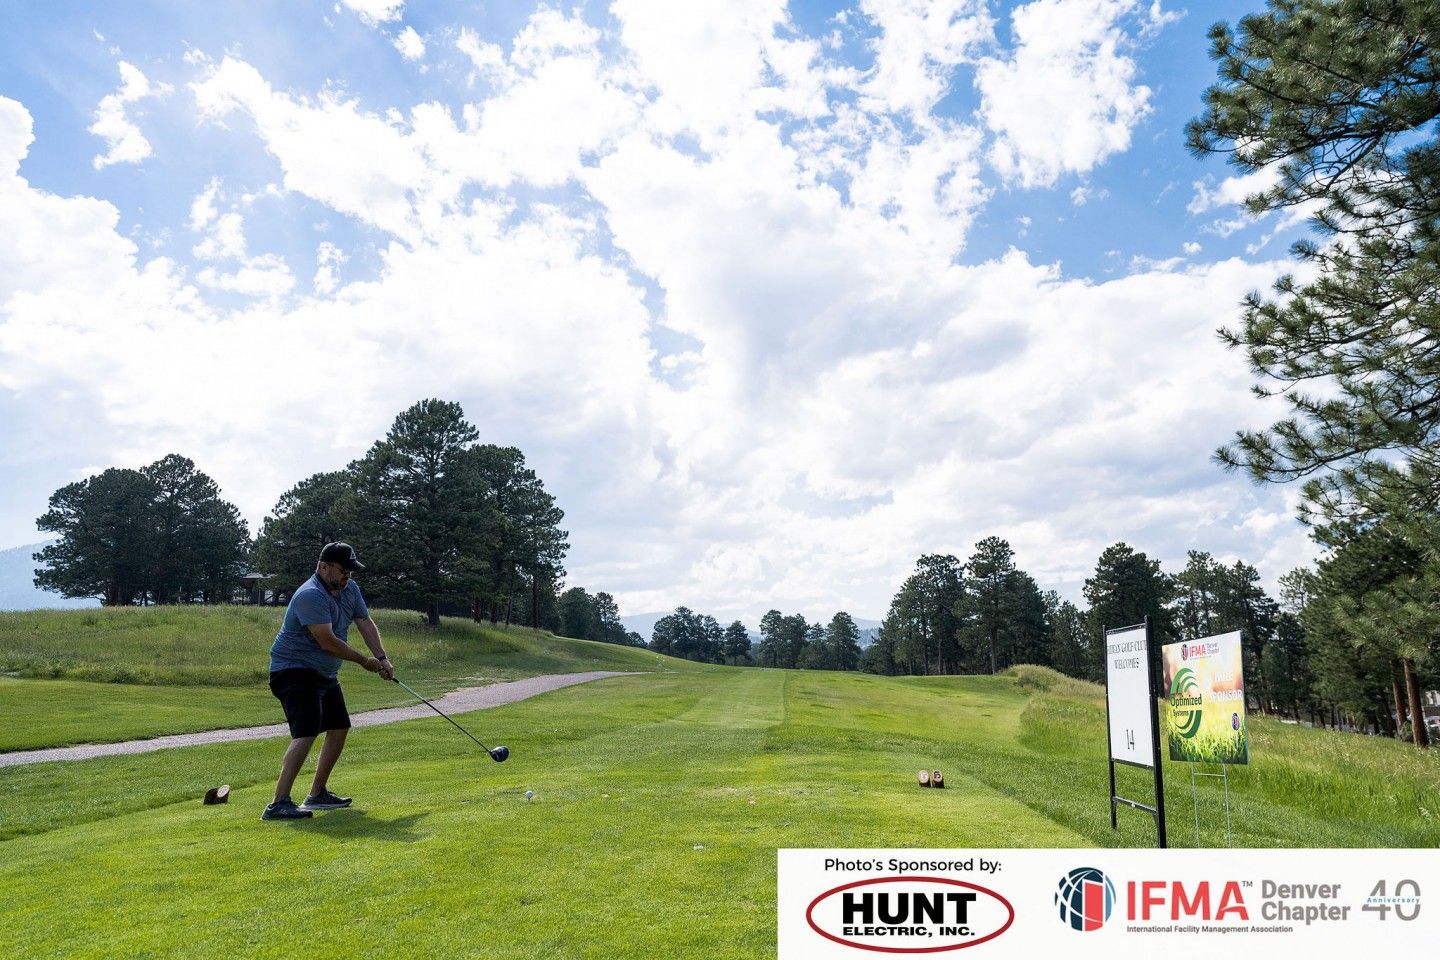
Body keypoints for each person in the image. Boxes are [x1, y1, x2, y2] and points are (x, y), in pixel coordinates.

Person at [262, 542, 394, 821]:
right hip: (293, 670)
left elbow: (365, 623)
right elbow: (328, 642)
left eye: (350, 572)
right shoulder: (310, 595)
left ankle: (317, 794)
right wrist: (364, 661)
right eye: (343, 571)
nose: (347, 577)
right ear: (323, 567)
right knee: (307, 731)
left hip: (324, 673)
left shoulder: (350, 590)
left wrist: (381, 657)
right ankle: (277, 804)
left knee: (339, 727)